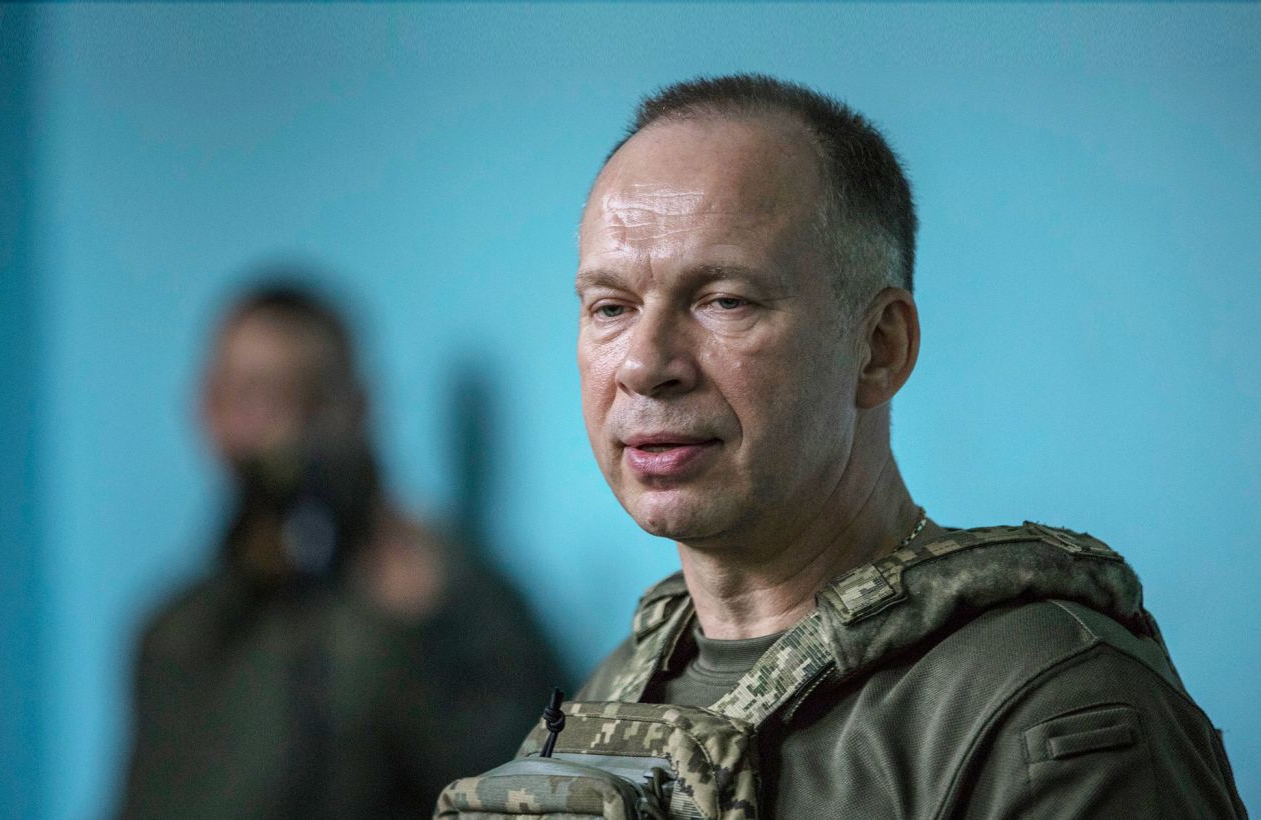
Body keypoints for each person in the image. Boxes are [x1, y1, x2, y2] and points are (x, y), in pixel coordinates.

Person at [436, 75, 1245, 818]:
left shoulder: (1045, 706)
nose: (645, 366)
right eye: (610, 307)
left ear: (879, 347)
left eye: (724, 300)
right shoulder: (620, 688)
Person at [121, 280, 563, 819]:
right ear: (209, 410)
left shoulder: (448, 592)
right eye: (254, 395)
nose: (284, 427)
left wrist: (425, 631)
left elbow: (532, 780)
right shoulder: (177, 635)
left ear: (359, 406)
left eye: (311, 396)